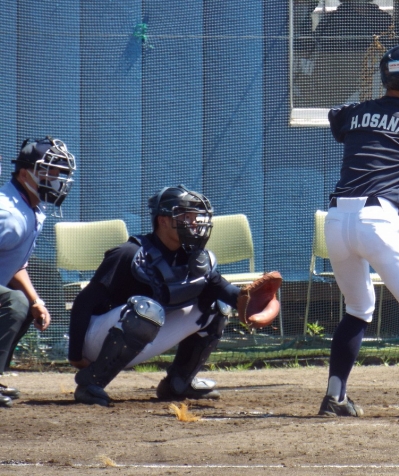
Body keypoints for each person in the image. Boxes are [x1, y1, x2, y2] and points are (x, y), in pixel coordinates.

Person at [318, 43, 399, 419]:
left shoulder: (356, 112)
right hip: (378, 220)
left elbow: (336, 118)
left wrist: (374, 106)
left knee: (357, 308)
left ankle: (335, 397)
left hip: (336, 221)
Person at [68, 185, 243, 406]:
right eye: (186, 217)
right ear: (163, 220)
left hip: (142, 338)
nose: (194, 223)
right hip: (98, 340)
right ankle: (91, 383)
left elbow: (224, 290)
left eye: (196, 217)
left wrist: (253, 300)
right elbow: (84, 302)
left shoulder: (194, 258)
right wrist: (76, 355)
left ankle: (179, 383)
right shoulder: (129, 253)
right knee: (147, 310)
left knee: (217, 306)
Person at [0, 137, 76, 407]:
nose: (56, 180)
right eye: (48, 172)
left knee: (26, 305)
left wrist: (36, 300)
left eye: (58, 173)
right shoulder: (8, 213)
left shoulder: (30, 208)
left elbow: (14, 263)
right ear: (24, 174)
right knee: (14, 302)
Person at [307, 0, 395, 106]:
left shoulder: (384, 20)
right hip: (341, 90)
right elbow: (320, 61)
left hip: (380, 87)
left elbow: (396, 51)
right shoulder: (331, 21)